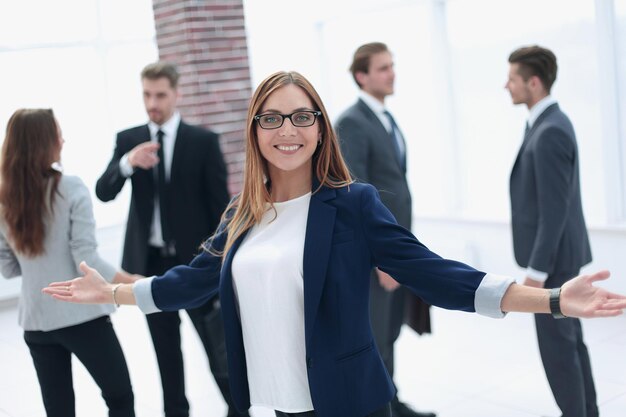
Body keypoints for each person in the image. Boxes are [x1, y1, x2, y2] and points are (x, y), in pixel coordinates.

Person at [43, 71, 626, 417]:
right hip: (280, 403)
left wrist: (550, 300)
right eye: (271, 119)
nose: (287, 131)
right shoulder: (243, 214)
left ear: (320, 126)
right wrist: (114, 294)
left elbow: (440, 275)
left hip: (349, 403)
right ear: (255, 131)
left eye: (301, 117)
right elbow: (189, 281)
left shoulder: (353, 203)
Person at [95, 62, 242, 417]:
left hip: (196, 265)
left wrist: (222, 261)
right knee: (166, 355)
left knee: (217, 350)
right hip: (149, 265)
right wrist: (128, 163)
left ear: (176, 94)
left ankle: (239, 410)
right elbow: (103, 191)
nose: (152, 103)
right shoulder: (129, 140)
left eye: (160, 95)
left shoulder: (203, 142)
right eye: (147, 94)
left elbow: (222, 208)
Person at [0, 108, 137, 417]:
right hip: (83, 316)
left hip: (36, 321)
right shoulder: (71, 187)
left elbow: (8, 268)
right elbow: (86, 261)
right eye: (56, 132)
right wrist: (133, 282)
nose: (63, 139)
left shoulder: (4, 197)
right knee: (120, 398)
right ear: (44, 142)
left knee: (58, 410)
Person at [335, 42, 434, 417]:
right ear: (361, 76)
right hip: (376, 254)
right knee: (375, 333)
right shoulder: (352, 122)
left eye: (392, 66)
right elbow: (356, 193)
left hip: (395, 248)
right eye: (382, 68)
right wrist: (382, 258)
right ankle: (378, 405)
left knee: (390, 330)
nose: (391, 73)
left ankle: (391, 399)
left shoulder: (384, 118)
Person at [506, 45, 598, 417]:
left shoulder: (550, 132)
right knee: (570, 344)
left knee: (560, 352)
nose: (506, 86)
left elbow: (554, 210)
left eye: (512, 79)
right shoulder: (549, 123)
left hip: (554, 264)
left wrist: (536, 275)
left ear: (534, 82)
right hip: (561, 258)